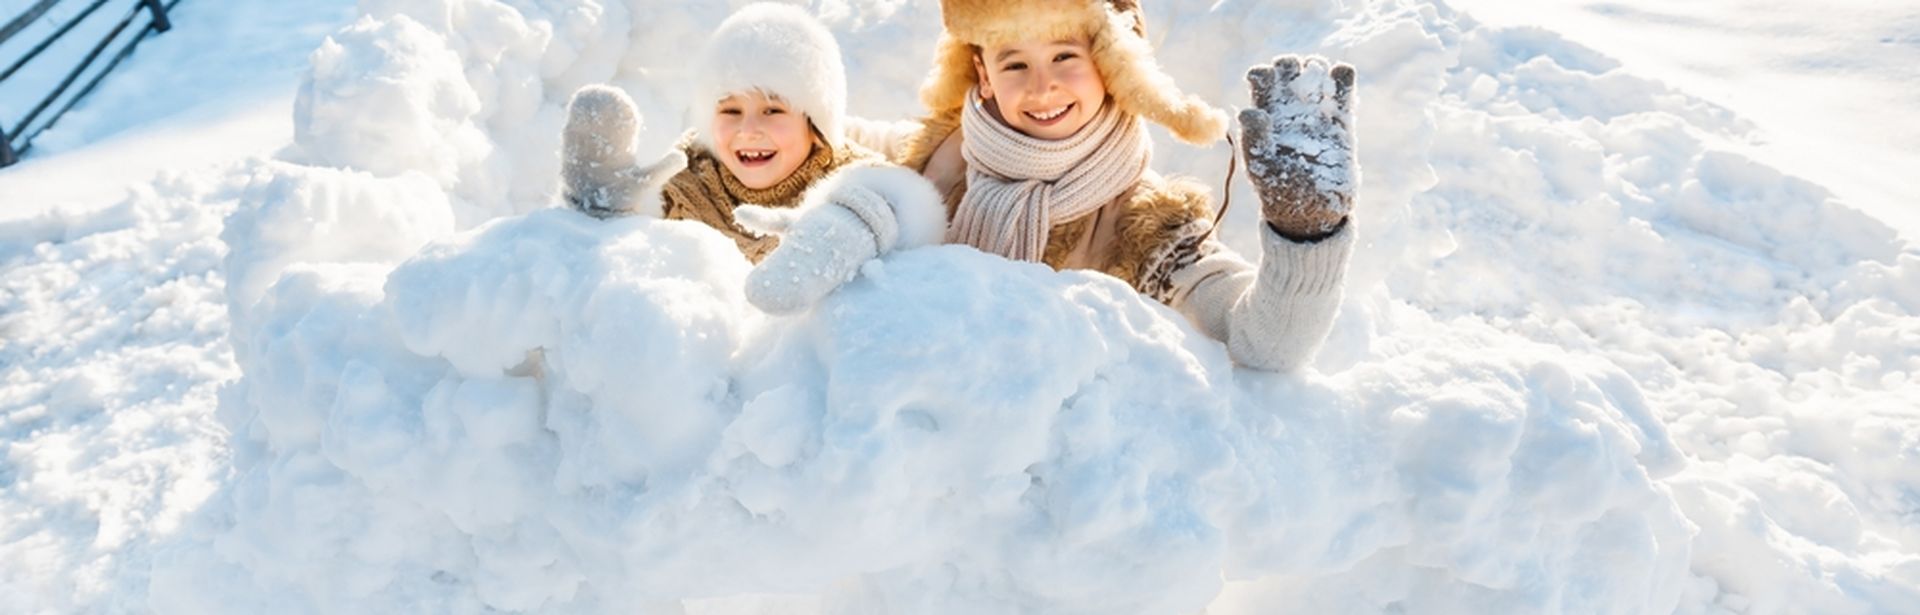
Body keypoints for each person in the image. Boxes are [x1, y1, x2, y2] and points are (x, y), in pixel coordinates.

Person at [755, 0, 1362, 372]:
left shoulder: (1144, 228)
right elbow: (824, 141)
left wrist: (1304, 233)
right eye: (1014, 63)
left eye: (1066, 57)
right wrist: (756, 111)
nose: (1041, 88)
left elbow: (1265, 344)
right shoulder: (940, 154)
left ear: (1112, 66)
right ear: (983, 78)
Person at [560, 2, 944, 266]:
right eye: (730, 110)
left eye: (773, 109)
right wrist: (613, 214)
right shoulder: (686, 185)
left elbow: (907, 242)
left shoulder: (854, 185)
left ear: (815, 124)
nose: (749, 129)